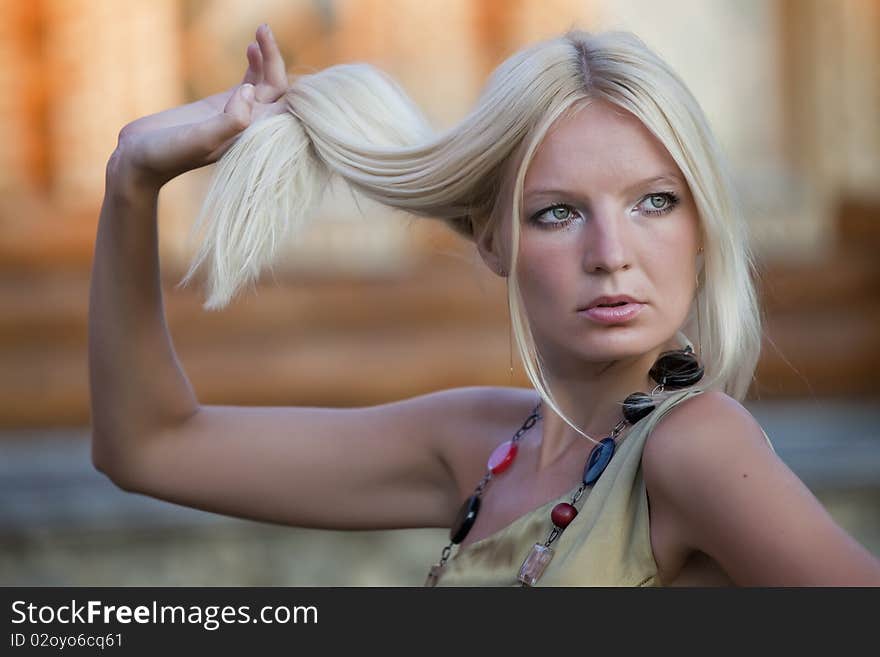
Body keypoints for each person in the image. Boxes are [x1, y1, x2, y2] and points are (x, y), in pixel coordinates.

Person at [89, 23, 880, 587]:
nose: (611, 252)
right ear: (491, 239)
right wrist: (132, 179)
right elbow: (147, 445)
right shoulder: (477, 445)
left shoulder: (695, 445)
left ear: (701, 225)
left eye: (655, 202)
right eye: (558, 213)